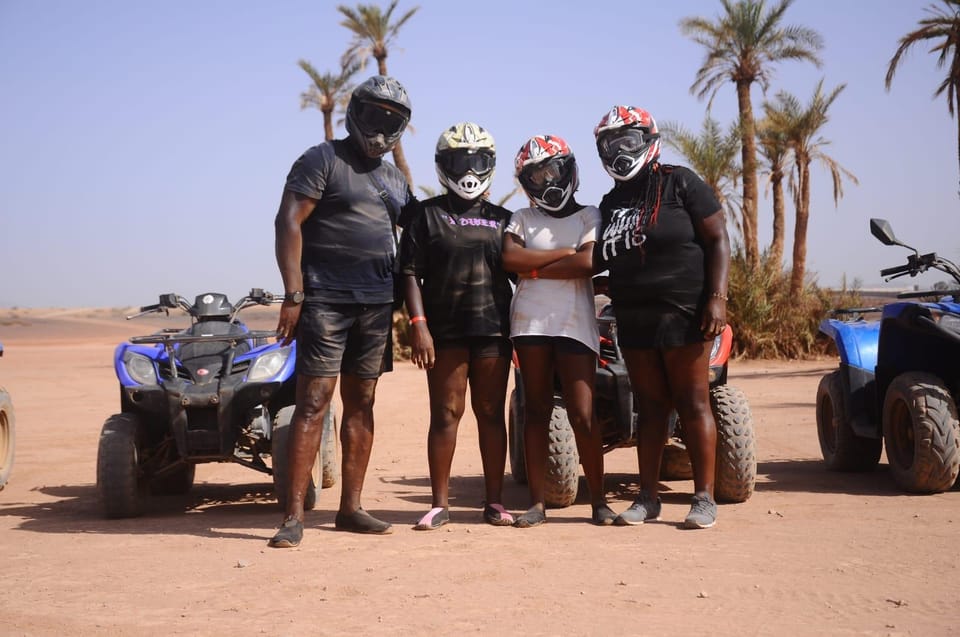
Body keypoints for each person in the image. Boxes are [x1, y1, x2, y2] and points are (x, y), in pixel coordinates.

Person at [268, 75, 417, 548]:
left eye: (390, 121)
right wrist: (294, 295)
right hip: (325, 302)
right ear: (355, 112)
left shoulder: (395, 179)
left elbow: (414, 243)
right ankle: (293, 517)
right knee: (313, 404)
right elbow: (287, 221)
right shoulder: (322, 159)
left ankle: (350, 508)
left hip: (375, 306)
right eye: (373, 114)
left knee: (363, 404)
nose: (379, 127)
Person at [592, 105, 731, 529]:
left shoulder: (681, 183)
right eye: (610, 143)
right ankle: (647, 498)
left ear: (648, 140)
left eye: (627, 140)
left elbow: (719, 239)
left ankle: (703, 499)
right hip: (633, 318)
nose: (619, 150)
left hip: (686, 312)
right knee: (650, 409)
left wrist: (717, 298)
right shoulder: (611, 201)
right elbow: (602, 255)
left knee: (693, 402)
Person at [398, 122, 516, 530]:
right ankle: (439, 504)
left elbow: (525, 273)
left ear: (490, 165)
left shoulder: (505, 220)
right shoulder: (426, 217)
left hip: (494, 332)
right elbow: (410, 273)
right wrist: (419, 325)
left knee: (490, 414)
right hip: (444, 333)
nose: (468, 169)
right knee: (446, 413)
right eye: (459, 160)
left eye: (477, 160)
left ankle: (495, 503)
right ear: (442, 165)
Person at [502, 135, 616, 528]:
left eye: (552, 170)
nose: (546, 180)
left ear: (569, 169)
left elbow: (587, 264)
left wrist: (532, 268)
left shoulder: (589, 215)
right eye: (536, 175)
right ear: (526, 182)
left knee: (583, 414)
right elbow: (510, 259)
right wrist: (562, 255)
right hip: (530, 324)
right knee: (535, 411)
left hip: (574, 325)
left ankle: (599, 501)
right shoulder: (521, 217)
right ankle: (537, 504)